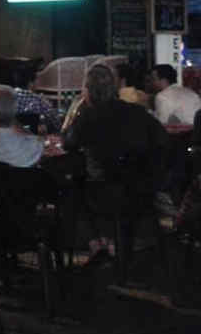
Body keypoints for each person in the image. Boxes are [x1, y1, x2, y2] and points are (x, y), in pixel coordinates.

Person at [63, 65, 169, 261]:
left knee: (72, 188)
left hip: (103, 192)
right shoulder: (137, 112)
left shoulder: (88, 115)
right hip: (141, 188)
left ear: (87, 90)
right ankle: (109, 241)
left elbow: (68, 143)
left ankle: (96, 242)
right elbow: (162, 139)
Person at [13, 67, 61, 133]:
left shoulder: (7, 97)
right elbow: (55, 122)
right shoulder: (38, 100)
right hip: (32, 138)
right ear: (30, 83)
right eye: (37, 80)